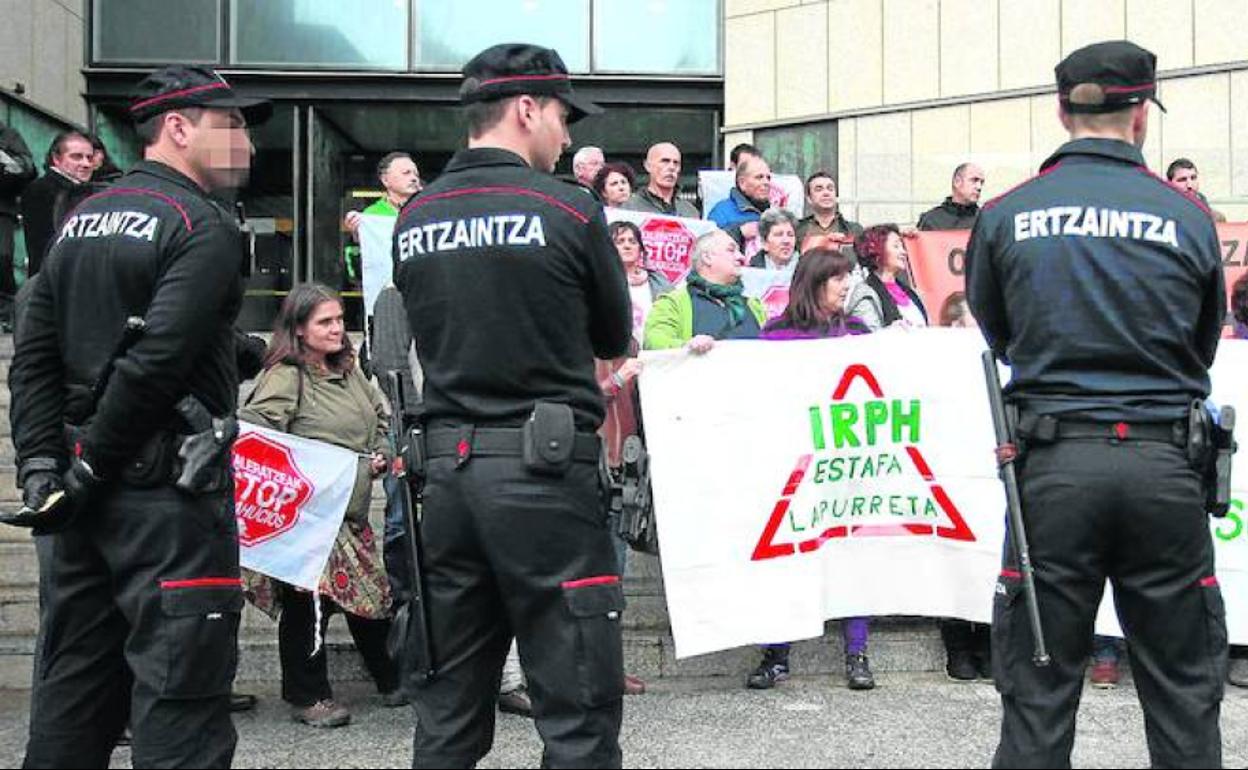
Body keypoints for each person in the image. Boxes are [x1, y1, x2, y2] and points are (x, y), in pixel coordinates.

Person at [966, 40, 1228, 768]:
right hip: (1162, 465)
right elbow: (1201, 344)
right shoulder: (1187, 214)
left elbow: (1002, 333)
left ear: (1061, 108)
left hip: (1051, 468)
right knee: (1182, 693)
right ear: (1141, 114)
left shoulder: (1007, 212)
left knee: (1039, 696)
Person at [8, 64, 269, 768]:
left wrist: (42, 467)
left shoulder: (78, 221)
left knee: (71, 702)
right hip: (167, 504)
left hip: (78, 508)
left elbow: (32, 356)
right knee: (181, 713)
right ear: (177, 129)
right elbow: (155, 359)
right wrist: (88, 465)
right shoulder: (201, 224)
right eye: (232, 125)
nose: (246, 144)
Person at [392, 43, 632, 768]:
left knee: (448, 713)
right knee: (578, 710)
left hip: (449, 482)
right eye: (562, 116)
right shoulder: (566, 207)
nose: (568, 135)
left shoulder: (416, 216)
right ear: (526, 109)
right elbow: (613, 334)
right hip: (545, 481)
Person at [239, 284, 403, 728]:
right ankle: (308, 697)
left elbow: (380, 418)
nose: (337, 330)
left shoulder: (348, 370)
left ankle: (393, 680)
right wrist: (309, 470)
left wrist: (382, 449)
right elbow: (256, 439)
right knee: (306, 605)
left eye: (339, 319)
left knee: (369, 599)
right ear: (299, 329)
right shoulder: (286, 376)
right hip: (308, 518)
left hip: (347, 514)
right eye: (325, 322)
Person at [745, 248, 875, 691]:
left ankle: (857, 653)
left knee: (854, 558)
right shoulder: (775, 335)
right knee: (787, 558)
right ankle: (776, 654)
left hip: (844, 467)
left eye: (847, 278)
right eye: (837, 278)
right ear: (814, 282)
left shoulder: (858, 332)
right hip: (791, 468)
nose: (846, 286)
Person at [643, 229, 766, 352]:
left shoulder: (754, 306)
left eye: (739, 251)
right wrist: (687, 346)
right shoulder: (672, 303)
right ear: (707, 257)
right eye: (731, 250)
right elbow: (654, 341)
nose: (741, 257)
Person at [19, 130, 93, 277]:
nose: (86, 163)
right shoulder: (42, 190)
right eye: (76, 157)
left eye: (89, 158)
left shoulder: (84, 191)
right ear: (56, 159)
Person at [846, 224, 929, 331]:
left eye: (902, 246)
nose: (904, 252)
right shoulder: (865, 294)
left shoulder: (912, 293)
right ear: (877, 251)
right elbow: (866, 338)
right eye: (896, 246)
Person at [0, 121, 36, 330]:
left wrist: (11, 163)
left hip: (2, 207)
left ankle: (6, 313)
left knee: (2, 257)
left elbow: (28, 167)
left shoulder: (8, 135)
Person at [345, 151, 423, 239]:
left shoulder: (426, 209)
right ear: (385, 180)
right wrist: (357, 233)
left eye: (416, 174)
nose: (414, 178)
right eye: (406, 173)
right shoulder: (372, 214)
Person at [621, 142, 699, 218]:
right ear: (648, 166)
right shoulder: (630, 208)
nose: (671, 167)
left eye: (676, 163)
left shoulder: (690, 212)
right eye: (665, 161)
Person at [708, 154, 772, 246]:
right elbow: (709, 247)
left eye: (768, 178)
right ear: (742, 183)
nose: (766, 182)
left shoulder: (775, 212)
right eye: (759, 177)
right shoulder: (721, 211)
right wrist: (739, 232)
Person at [796, 171, 862, 248]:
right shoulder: (797, 229)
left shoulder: (854, 230)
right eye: (819, 189)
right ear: (809, 198)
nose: (826, 193)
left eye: (830, 189)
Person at [917, 162, 984, 231]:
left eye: (981, 182)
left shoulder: (985, 221)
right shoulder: (931, 220)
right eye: (974, 180)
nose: (979, 187)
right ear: (957, 182)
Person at [1166, 157, 1227, 222]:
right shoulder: (1163, 209)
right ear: (1169, 183)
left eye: (1193, 178)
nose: (1189, 185)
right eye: (1182, 180)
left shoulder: (1201, 199)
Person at [749, 207, 800, 273]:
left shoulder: (807, 268)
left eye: (790, 235)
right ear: (764, 243)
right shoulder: (752, 271)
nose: (786, 241)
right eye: (779, 235)